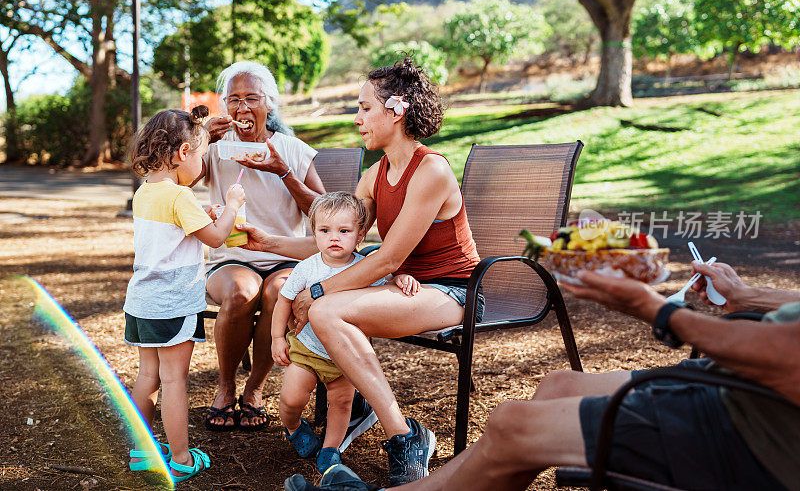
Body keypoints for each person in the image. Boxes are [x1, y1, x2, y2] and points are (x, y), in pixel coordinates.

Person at [282, 261, 800, 491]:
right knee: (556, 387)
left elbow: (784, 357)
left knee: (512, 427)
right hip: (732, 383)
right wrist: (748, 296)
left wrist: (654, 310)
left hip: (760, 428)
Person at [236, 57, 486, 485]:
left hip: (453, 292)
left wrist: (313, 293)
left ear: (397, 109)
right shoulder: (374, 176)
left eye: (365, 108)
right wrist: (268, 242)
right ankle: (367, 405)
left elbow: (387, 258)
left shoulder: (431, 170)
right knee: (325, 308)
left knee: (325, 309)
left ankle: (405, 436)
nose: (357, 119)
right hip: (404, 289)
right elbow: (336, 242)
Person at [193, 61, 325, 432]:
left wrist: (283, 172)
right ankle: (225, 385)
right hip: (231, 257)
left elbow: (326, 214)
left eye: (252, 97)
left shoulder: (293, 150)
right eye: (233, 99)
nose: (242, 107)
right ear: (225, 106)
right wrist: (204, 138)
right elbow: (179, 179)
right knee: (240, 291)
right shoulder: (216, 149)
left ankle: (254, 389)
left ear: (270, 103)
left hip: (284, 256)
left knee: (278, 292)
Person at [124, 105, 246, 482]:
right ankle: (180, 459)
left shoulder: (147, 192)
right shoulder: (180, 198)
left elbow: (178, 227)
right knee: (175, 380)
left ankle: (142, 452)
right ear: (181, 154)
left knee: (149, 377)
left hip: (142, 303)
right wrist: (233, 206)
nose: (202, 165)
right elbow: (217, 237)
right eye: (202, 155)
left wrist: (204, 212)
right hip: (172, 304)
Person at [273, 192, 418, 474]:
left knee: (340, 404)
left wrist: (400, 276)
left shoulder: (362, 269)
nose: (334, 238)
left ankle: (330, 449)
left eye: (344, 231)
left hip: (345, 353)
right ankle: (293, 427)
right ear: (313, 233)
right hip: (306, 350)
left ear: (360, 235)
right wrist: (277, 337)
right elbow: (284, 301)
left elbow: (385, 278)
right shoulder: (307, 268)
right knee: (291, 399)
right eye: (325, 231)